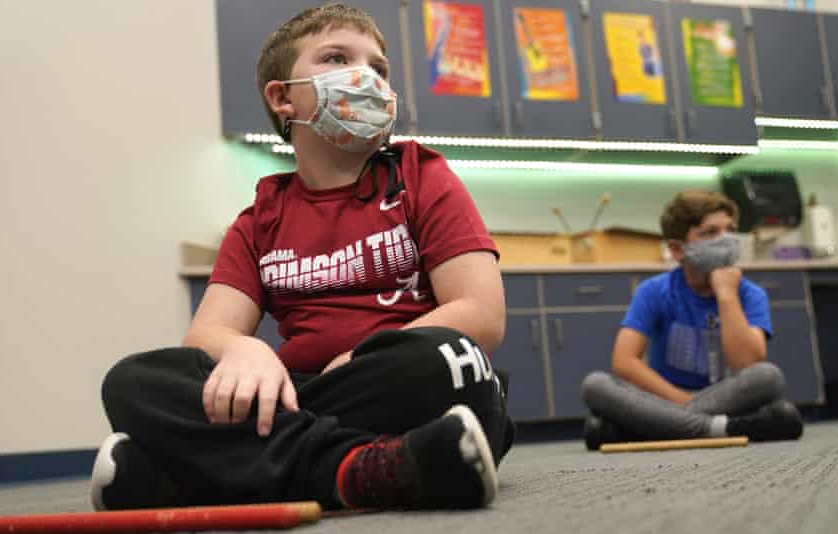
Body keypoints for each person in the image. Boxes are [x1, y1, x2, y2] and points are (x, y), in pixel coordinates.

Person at [90, 2, 514, 512]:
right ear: (282, 99)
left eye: (378, 68)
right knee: (133, 381)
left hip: (395, 375)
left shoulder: (422, 176)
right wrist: (250, 353)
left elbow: (481, 314)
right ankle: (360, 469)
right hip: (298, 387)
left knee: (448, 363)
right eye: (336, 57)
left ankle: (206, 474)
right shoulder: (259, 221)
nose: (366, 76)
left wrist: (356, 360)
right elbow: (206, 336)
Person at [581, 190, 803, 450]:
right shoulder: (654, 291)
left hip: (729, 398)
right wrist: (681, 401)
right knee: (595, 385)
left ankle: (657, 427)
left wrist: (727, 295)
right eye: (710, 233)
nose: (726, 240)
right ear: (676, 249)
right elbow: (624, 361)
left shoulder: (750, 293)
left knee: (769, 377)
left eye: (730, 230)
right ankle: (718, 429)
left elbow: (748, 364)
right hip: (664, 398)